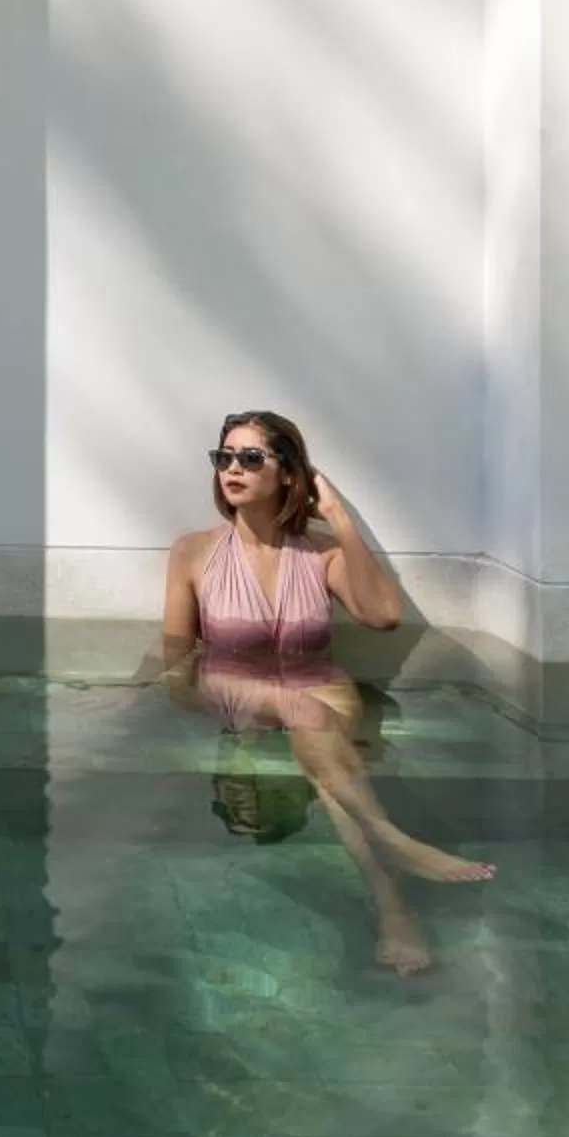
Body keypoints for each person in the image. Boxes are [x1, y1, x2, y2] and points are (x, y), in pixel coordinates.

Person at [157, 409, 492, 974]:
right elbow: (175, 657)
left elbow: (383, 617)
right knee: (307, 715)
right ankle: (393, 867)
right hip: (230, 682)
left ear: (289, 474)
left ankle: (392, 902)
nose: (232, 469)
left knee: (315, 726)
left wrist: (339, 519)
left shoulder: (320, 554)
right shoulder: (193, 552)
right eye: (224, 458)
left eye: (250, 458)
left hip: (317, 685)